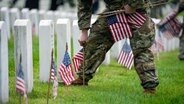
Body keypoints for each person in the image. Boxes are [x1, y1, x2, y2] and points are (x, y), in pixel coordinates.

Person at [71, 0, 159, 94]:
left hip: (137, 11)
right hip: (113, 11)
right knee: (95, 41)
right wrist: (84, 31)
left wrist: (133, 4)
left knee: (141, 49)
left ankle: (149, 86)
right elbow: (84, 5)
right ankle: (83, 77)